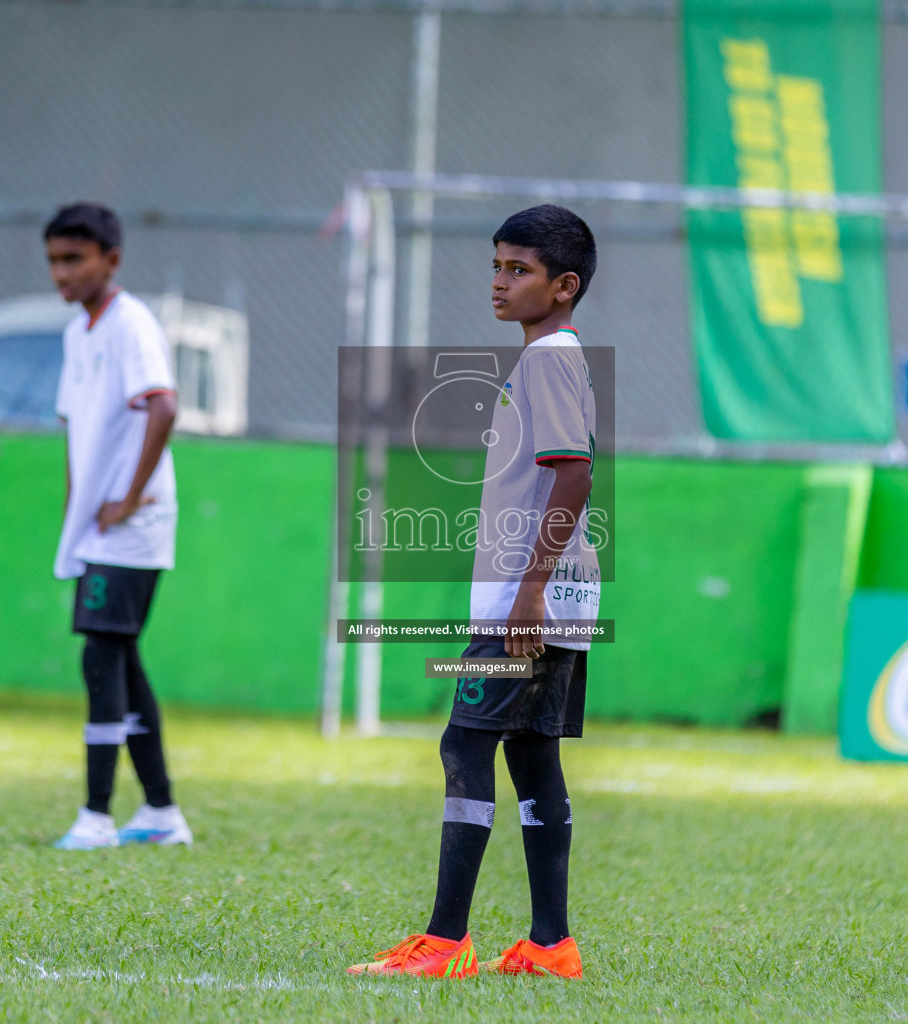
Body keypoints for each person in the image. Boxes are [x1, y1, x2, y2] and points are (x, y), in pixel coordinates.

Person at [349, 204, 601, 978]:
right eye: (496, 265)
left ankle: (446, 941)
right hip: (553, 597)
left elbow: (575, 474)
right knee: (531, 755)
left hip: (531, 602)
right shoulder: (549, 357)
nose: (499, 281)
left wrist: (528, 592)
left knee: (466, 744)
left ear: (563, 286)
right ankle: (551, 946)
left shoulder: (551, 358)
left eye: (517, 270)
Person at [45, 202, 192, 850]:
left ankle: (96, 815)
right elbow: (77, 430)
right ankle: (161, 813)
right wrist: (77, 513)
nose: (62, 273)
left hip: (132, 524)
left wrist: (129, 498)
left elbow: (163, 406)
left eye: (74, 259)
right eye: (53, 260)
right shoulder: (78, 332)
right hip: (97, 525)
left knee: (101, 655)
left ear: (112, 260)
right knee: (121, 658)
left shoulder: (131, 323)